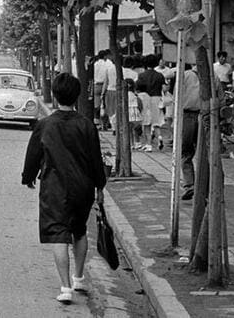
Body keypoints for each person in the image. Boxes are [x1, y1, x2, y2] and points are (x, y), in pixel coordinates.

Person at [21, 73, 107, 304]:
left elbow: (33, 156)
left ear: (56, 96)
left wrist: (28, 177)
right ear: (77, 96)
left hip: (55, 187)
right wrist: (100, 186)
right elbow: (96, 159)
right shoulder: (86, 125)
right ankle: (79, 277)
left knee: (59, 234)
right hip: (83, 187)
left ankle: (65, 288)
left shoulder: (45, 125)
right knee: (79, 231)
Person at [178, 64, 201, 200]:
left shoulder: (184, 75)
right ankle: (202, 186)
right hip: (205, 116)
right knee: (204, 154)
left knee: (186, 153)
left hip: (187, 116)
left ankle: (190, 184)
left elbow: (177, 97)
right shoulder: (213, 76)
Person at [136, 54, 166, 151]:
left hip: (146, 98)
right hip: (157, 98)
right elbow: (164, 88)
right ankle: (159, 137)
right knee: (156, 122)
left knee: (147, 123)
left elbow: (138, 88)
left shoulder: (142, 76)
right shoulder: (160, 75)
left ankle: (148, 144)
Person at [93, 50, 111, 129]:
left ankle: (97, 122)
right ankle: (105, 124)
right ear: (105, 56)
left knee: (97, 105)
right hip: (105, 85)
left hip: (96, 85)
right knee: (105, 105)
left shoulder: (95, 64)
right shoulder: (108, 64)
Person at [125, 78, 144, 150]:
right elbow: (140, 104)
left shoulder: (124, 95)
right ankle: (137, 142)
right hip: (135, 113)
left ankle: (131, 144)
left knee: (129, 130)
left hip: (128, 112)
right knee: (136, 129)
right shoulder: (135, 95)